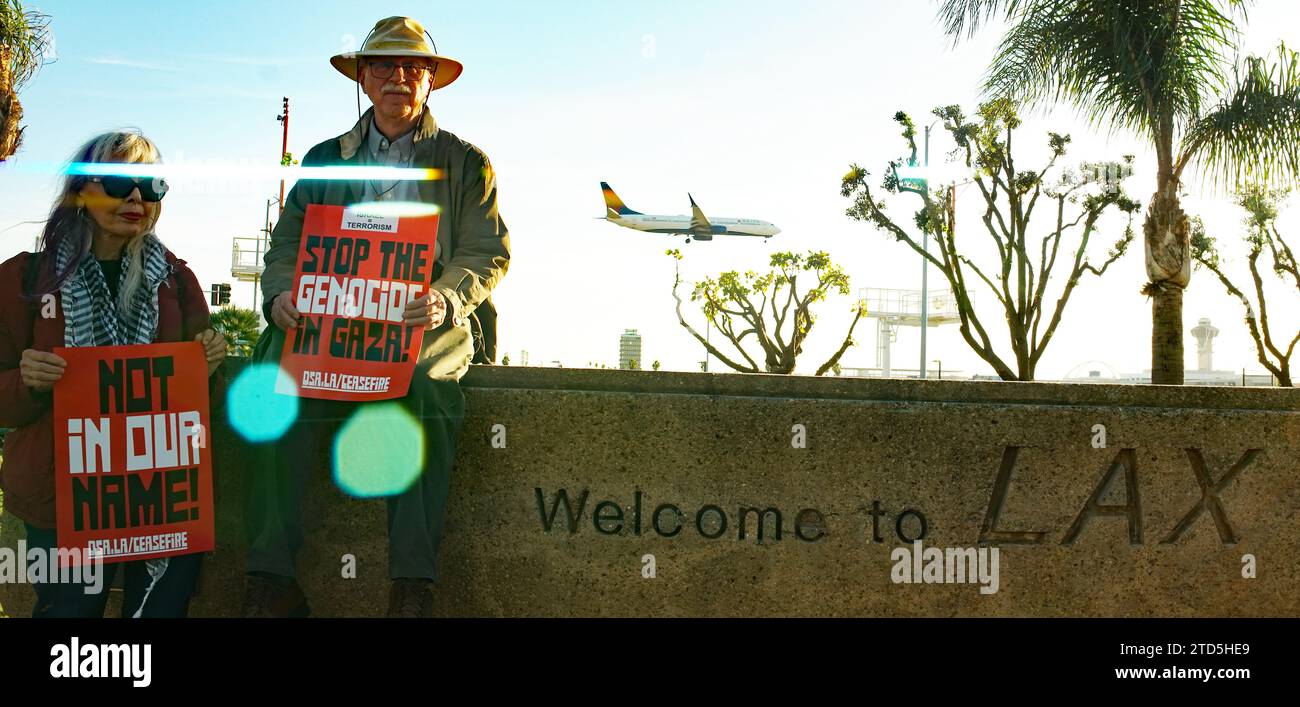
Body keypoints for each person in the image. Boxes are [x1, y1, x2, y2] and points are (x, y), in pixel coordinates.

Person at [244, 16, 510, 618]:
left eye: (413, 67)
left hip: (423, 321)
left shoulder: (468, 162)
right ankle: (270, 580)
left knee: (422, 388)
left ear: (431, 82)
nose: (398, 78)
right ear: (363, 78)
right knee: (268, 378)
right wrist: (282, 294)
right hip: (329, 319)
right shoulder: (321, 158)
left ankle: (411, 587)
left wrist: (445, 297)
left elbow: (486, 252)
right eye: (384, 66)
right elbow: (286, 245)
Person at [0, 130, 227, 617]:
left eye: (151, 187)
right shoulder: (21, 278)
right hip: (62, 497)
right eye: (121, 181)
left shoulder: (176, 279)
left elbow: (198, 397)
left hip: (159, 495)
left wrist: (207, 361)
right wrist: (28, 381)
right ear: (81, 190)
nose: (135, 198)